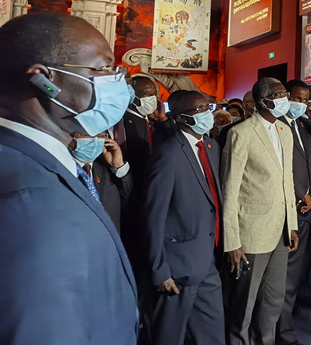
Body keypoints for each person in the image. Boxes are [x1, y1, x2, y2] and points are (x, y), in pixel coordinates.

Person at [0, 13, 138, 344]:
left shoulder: (31, 163)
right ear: (44, 79)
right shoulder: (30, 203)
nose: (118, 81)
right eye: (104, 69)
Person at [142, 90, 225, 345]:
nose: (207, 114)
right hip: (177, 268)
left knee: (212, 334)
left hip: (208, 260)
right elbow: (153, 216)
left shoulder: (211, 147)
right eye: (198, 110)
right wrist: (159, 270)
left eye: (207, 108)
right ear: (181, 118)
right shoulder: (168, 155)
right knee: (170, 336)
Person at [222, 77, 299, 345]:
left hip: (280, 231)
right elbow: (229, 191)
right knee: (244, 302)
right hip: (250, 233)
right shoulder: (240, 133)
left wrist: (292, 224)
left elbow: (286, 179)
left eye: (284, 93)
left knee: (273, 299)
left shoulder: (284, 131)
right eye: (279, 94)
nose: (284, 98)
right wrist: (232, 240)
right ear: (264, 100)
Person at [277, 79, 311, 345]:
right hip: (289, 206)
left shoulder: (305, 126)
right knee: (284, 275)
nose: (301, 104)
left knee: (295, 273)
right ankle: (282, 331)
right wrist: (301, 193)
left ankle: (284, 319)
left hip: (306, 209)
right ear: (286, 97)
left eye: (306, 100)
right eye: (296, 98)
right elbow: (282, 166)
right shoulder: (277, 124)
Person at [75, 132, 133, 234]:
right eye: (87, 134)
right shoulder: (58, 167)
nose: (95, 139)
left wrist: (119, 166)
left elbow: (132, 201)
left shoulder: (106, 169)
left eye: (101, 136)